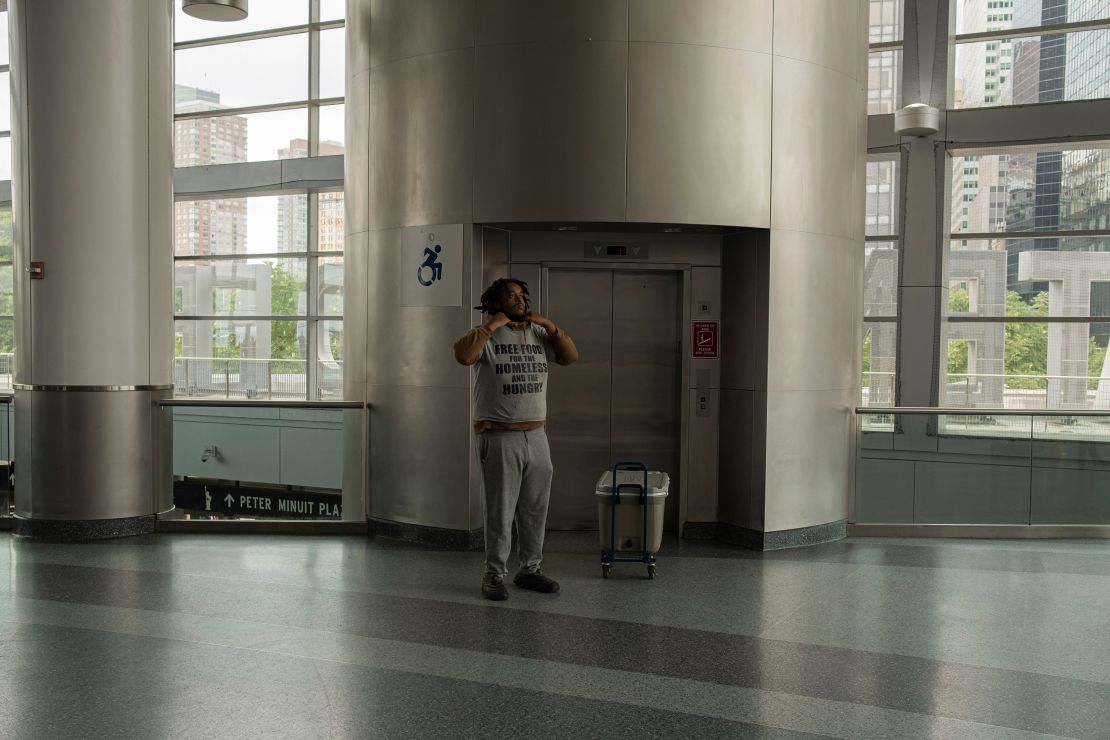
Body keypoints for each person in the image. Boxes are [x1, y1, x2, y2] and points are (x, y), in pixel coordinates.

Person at [453, 278, 579, 600]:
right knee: (500, 510)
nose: (520, 300)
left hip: (537, 434)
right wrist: (493, 324)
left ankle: (530, 569)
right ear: (497, 302)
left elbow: (570, 356)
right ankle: (493, 574)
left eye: (522, 295)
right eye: (511, 296)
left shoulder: (538, 334)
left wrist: (549, 325)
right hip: (498, 435)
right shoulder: (486, 336)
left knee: (535, 508)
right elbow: (464, 356)